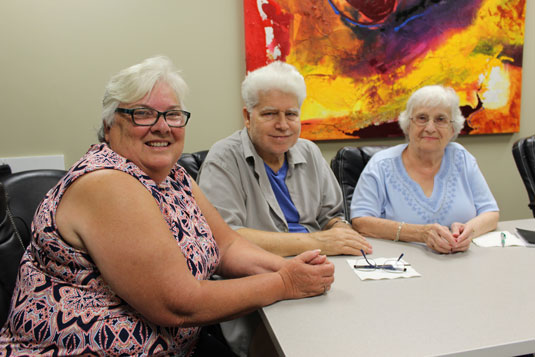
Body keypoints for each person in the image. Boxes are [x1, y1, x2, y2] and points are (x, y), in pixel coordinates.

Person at [0, 56, 334, 356]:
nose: (162, 126)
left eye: (173, 114)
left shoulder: (173, 177)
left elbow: (227, 245)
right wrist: (285, 283)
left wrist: (295, 269)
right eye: (142, 114)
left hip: (177, 345)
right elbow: (179, 305)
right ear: (109, 125)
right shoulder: (107, 182)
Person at [198, 61, 372, 257]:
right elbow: (224, 236)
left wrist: (342, 232)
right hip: (260, 268)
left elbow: (331, 217)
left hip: (320, 261)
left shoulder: (310, 152)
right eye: (270, 114)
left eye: (291, 114)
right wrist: (314, 242)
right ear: (247, 117)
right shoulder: (223, 158)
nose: (282, 125)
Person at [350, 85, 499, 254]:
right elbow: (360, 222)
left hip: (461, 262)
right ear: (408, 125)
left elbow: (490, 213)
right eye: (422, 118)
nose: (430, 127)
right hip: (401, 265)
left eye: (440, 119)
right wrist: (420, 234)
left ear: (452, 129)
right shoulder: (381, 165)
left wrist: (469, 231)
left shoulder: (462, 158)